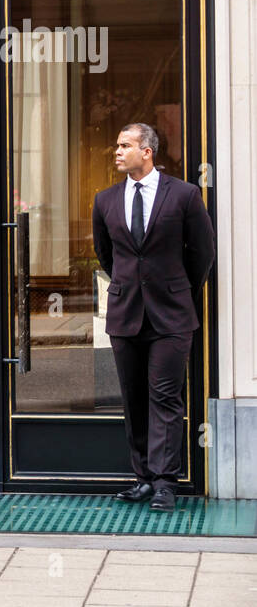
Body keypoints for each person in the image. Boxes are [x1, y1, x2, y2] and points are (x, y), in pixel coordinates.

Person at [91, 122, 215, 511]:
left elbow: (202, 253)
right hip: (126, 314)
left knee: (165, 397)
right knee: (134, 398)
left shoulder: (184, 195)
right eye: (116, 144)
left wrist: (179, 291)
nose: (116, 151)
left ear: (147, 151)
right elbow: (107, 256)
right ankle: (142, 477)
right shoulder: (105, 200)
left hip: (172, 316)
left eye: (125, 145)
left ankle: (165, 482)